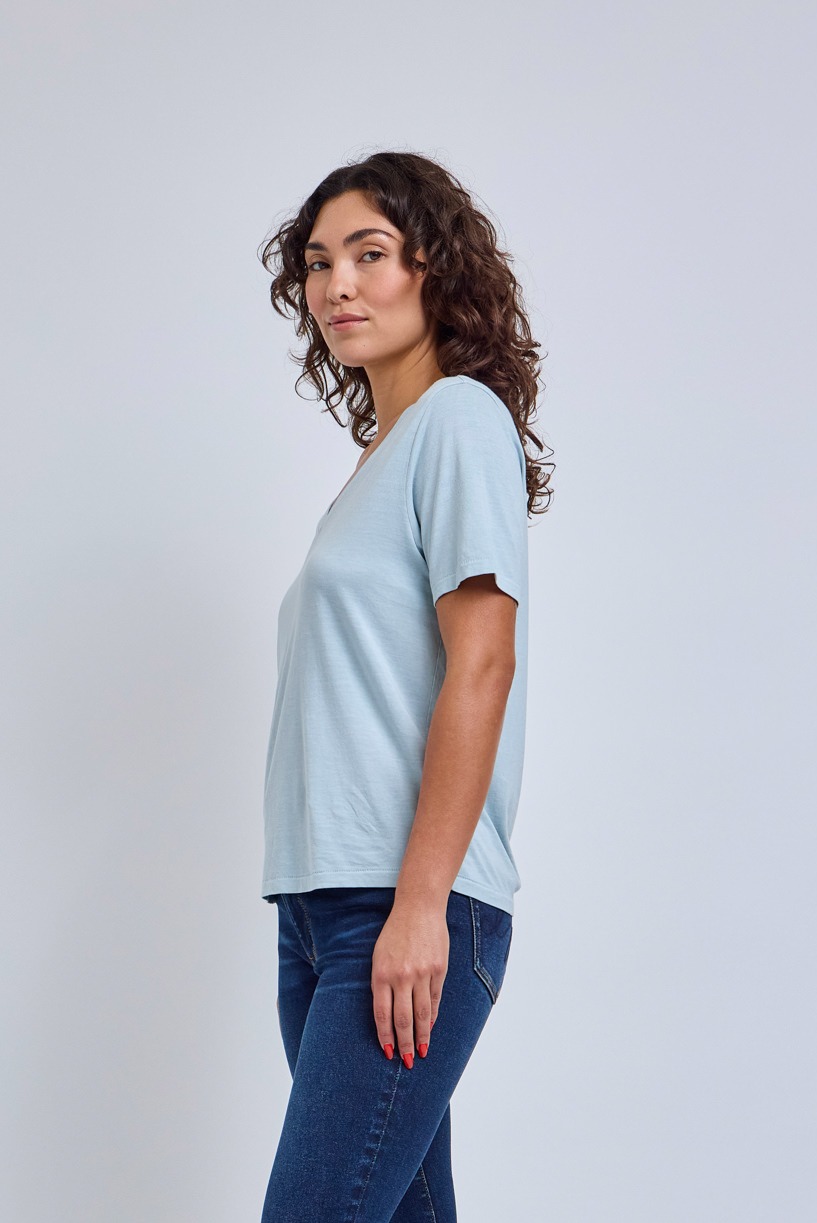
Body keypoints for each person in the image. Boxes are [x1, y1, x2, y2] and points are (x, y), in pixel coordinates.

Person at [257, 150, 553, 1222]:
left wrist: (421, 903)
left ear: (435, 270)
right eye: (318, 261)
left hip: (401, 902)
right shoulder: (379, 460)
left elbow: (484, 659)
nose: (336, 283)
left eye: (369, 254)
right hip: (321, 906)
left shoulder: (459, 420)